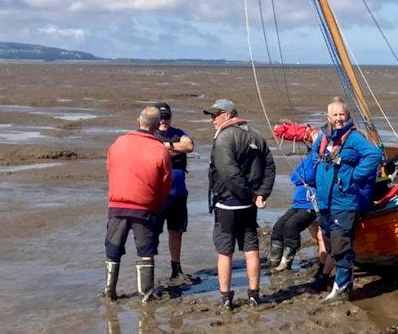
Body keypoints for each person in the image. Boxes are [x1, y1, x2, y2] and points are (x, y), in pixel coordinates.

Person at [302, 98, 382, 302]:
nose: (338, 119)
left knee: (341, 245)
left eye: (341, 114)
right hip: (324, 201)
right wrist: (313, 178)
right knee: (329, 243)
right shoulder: (322, 138)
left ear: (347, 116)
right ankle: (337, 281)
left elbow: (374, 154)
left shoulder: (354, 138)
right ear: (328, 117)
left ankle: (343, 287)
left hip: (344, 201)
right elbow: (313, 158)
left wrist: (354, 175)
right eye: (334, 115)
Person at [205, 98, 275, 310]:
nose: (212, 120)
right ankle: (254, 295)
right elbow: (270, 167)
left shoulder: (225, 138)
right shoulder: (255, 135)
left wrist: (254, 194)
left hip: (229, 204)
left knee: (226, 251)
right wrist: (259, 194)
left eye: (215, 115)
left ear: (228, 115)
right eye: (211, 116)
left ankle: (226, 298)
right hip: (248, 204)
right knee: (251, 248)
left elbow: (229, 173)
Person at [101, 106, 172, 303]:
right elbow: (165, 183)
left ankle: (109, 291)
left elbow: (110, 167)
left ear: (138, 121)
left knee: (113, 247)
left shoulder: (118, 143)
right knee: (146, 250)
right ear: (157, 125)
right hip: (145, 207)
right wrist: (156, 205)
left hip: (118, 204)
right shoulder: (160, 150)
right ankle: (145, 294)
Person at [151, 102, 195, 280]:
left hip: (179, 194)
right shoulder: (149, 135)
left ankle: (176, 267)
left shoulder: (178, 132)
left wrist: (166, 147)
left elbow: (189, 146)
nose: (164, 120)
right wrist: (173, 148)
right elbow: (153, 152)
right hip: (158, 196)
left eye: (166, 117)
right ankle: (148, 270)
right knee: (152, 233)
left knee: (176, 232)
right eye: (161, 117)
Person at [268, 155, 317, 272]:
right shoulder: (307, 159)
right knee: (278, 226)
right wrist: (304, 178)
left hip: (311, 205)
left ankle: (286, 262)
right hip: (297, 204)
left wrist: (304, 178)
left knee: (291, 226)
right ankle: (274, 261)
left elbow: (310, 176)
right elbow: (294, 177)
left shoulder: (320, 160)